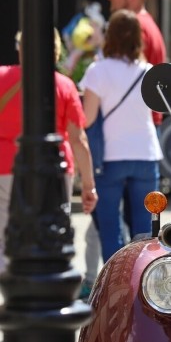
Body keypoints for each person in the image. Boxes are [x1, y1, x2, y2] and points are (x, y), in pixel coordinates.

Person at [0, 29, 98, 275]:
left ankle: (11, 297)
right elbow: (79, 140)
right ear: (54, 52)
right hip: (53, 171)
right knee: (50, 238)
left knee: (4, 239)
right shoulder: (63, 85)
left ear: (21, 49)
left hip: (4, 167)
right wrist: (88, 185)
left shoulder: (1, 78)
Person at [80, 10, 162, 262]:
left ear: (109, 37)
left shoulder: (97, 71)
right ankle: (140, 289)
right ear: (139, 38)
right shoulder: (149, 71)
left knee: (110, 230)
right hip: (146, 155)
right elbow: (155, 111)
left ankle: (113, 294)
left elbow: (88, 118)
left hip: (111, 158)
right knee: (145, 233)